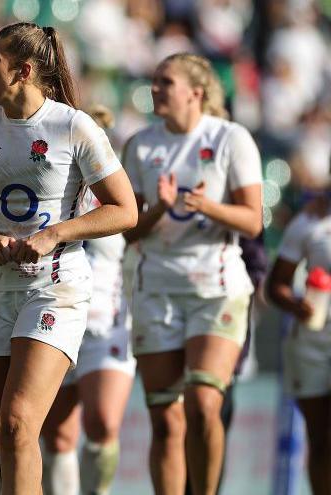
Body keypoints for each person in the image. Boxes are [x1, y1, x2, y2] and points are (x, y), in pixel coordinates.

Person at [0, 23, 138, 494]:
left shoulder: (73, 125)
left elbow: (125, 209)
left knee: (17, 424)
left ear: (23, 70)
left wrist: (55, 234)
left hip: (54, 288)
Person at [122, 53, 263, 495]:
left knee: (204, 403)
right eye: (154, 80)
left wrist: (206, 205)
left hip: (216, 288)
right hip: (157, 289)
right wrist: (161, 207)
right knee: (166, 419)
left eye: (166, 82)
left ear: (196, 93)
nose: (156, 89)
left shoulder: (230, 139)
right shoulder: (141, 144)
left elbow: (253, 220)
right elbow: (128, 230)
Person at [40, 106, 135, 495]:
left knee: (102, 423)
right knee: (59, 437)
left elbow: (140, 230)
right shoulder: (55, 188)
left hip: (105, 324)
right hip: (58, 316)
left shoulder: (120, 192)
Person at [267, 192, 331, 495]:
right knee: (321, 442)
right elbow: (275, 285)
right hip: (312, 341)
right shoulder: (309, 221)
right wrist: (296, 305)